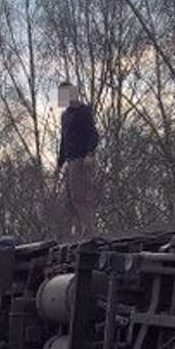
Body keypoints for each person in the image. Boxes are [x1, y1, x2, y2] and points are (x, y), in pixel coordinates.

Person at [54, 81, 101, 237]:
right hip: (69, 159)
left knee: (79, 196)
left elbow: (93, 134)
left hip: (81, 159)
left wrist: (89, 153)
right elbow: (64, 140)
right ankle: (77, 231)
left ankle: (90, 230)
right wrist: (60, 163)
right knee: (68, 201)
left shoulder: (83, 111)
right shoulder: (65, 115)